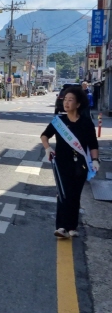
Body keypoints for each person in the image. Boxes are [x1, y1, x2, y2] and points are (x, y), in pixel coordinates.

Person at [40, 86, 100, 238]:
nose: (66, 103)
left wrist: (95, 160)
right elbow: (44, 136)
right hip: (62, 164)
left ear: (78, 104)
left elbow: (93, 144)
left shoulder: (86, 123)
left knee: (74, 195)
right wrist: (48, 149)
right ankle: (61, 227)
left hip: (81, 164)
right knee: (63, 194)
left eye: (70, 100)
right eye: (65, 100)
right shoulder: (58, 121)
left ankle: (72, 227)